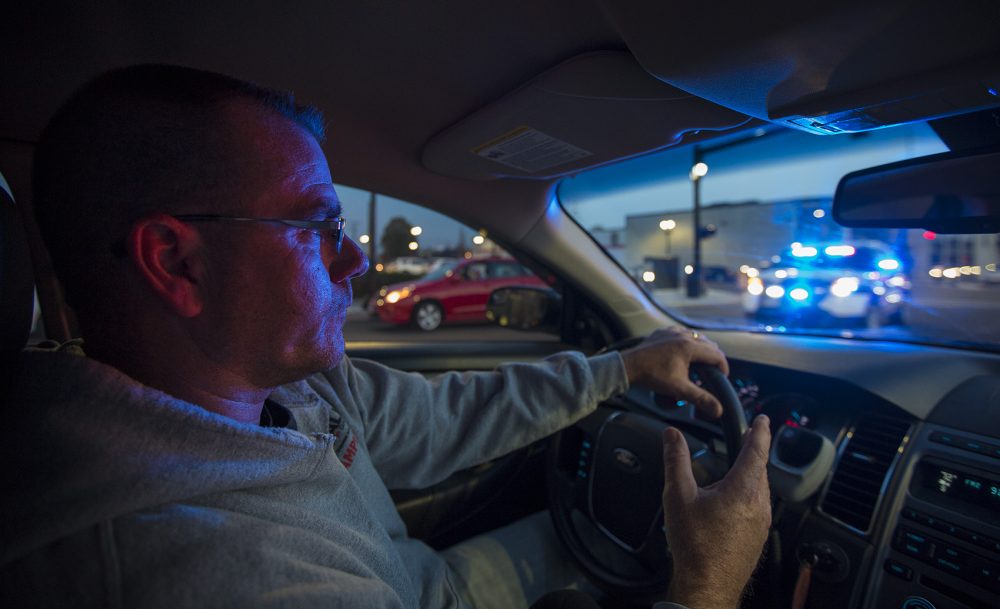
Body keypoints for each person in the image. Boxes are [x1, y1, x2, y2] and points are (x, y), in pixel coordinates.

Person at [0, 65, 771, 609]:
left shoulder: (284, 382)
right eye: (314, 225)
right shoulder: (213, 572)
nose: (357, 258)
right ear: (177, 262)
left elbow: (448, 416)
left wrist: (625, 365)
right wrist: (707, 585)